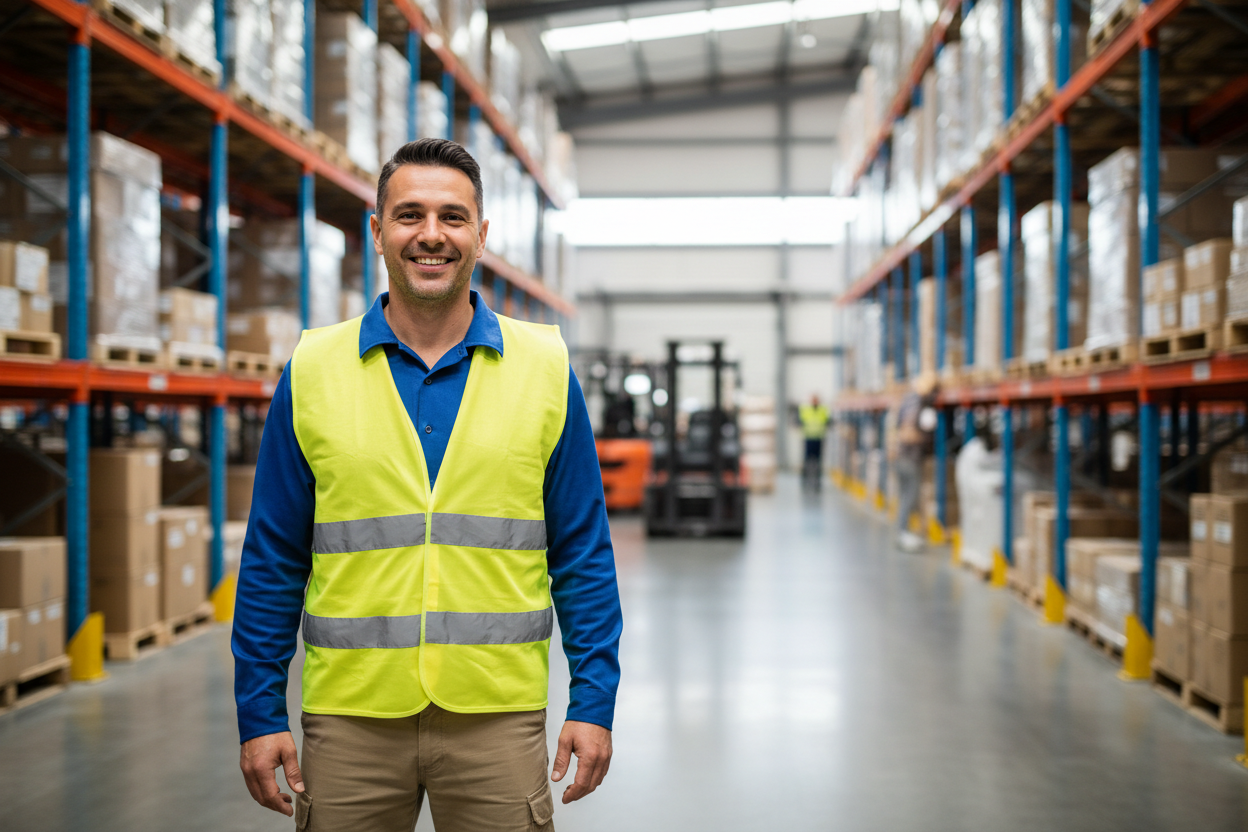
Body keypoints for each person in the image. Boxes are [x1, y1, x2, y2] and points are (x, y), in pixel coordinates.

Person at [232, 138, 622, 831]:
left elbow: (582, 552)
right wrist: (259, 710)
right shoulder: (314, 366)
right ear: (377, 231)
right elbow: (273, 556)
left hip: (497, 716)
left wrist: (593, 700)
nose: (432, 235)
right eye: (409, 215)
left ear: (481, 235)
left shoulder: (543, 366)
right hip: (350, 717)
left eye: (453, 216)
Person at [891, 376, 937, 552]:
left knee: (904, 497)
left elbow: (899, 428)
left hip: (900, 457)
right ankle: (903, 534)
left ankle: (904, 533)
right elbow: (920, 432)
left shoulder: (906, 404)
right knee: (909, 497)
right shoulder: (923, 408)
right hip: (910, 459)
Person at [798, 394, 830, 490]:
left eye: (816, 400)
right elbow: (800, 421)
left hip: (819, 438)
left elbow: (827, 421)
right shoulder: (805, 410)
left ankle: (817, 481)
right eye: (813, 400)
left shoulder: (823, 410)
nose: (815, 401)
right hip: (808, 438)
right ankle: (804, 480)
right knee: (807, 460)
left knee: (818, 461)